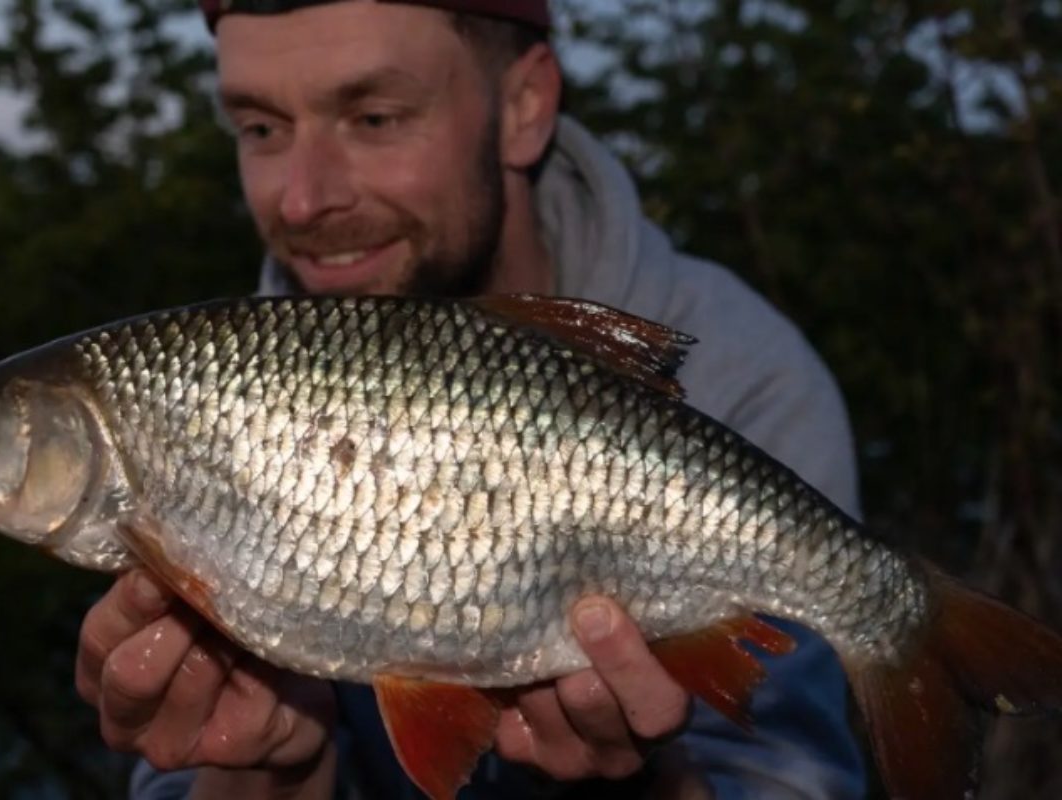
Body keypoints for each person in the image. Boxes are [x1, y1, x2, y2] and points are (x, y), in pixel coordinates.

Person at [74, 1, 867, 797]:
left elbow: (787, 779)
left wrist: (640, 781)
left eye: (375, 118)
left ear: (523, 106)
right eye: (260, 128)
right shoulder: (200, 408)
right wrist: (272, 763)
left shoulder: (739, 373)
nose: (302, 199)